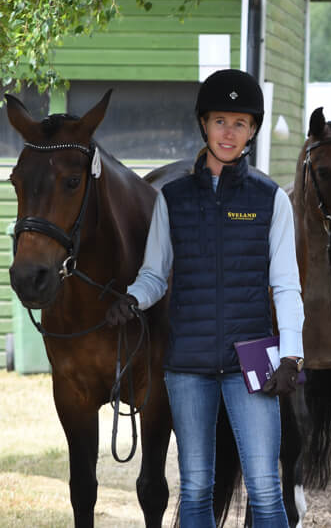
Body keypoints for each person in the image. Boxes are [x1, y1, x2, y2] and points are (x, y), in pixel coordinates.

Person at [107, 68, 304, 528]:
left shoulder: (271, 200)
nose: (229, 132)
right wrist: (133, 299)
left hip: (251, 361)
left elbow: (287, 285)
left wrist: (291, 354)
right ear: (203, 124)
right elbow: (155, 274)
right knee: (195, 488)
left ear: (252, 128)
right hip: (188, 366)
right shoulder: (172, 199)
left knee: (265, 487)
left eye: (239, 122)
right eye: (220, 121)